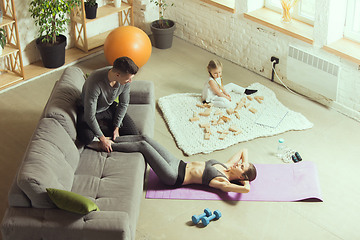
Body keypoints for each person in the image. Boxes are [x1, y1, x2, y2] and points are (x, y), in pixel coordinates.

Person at [102, 134, 257, 193]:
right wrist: (245, 167)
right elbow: (244, 150)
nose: (239, 164)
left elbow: (246, 191)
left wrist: (246, 182)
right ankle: (112, 138)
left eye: (241, 167)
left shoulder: (222, 181)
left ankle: (107, 145)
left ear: (242, 177)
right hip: (177, 162)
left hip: (174, 175)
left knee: (143, 147)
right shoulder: (227, 165)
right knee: (146, 138)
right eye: (241, 164)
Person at [77, 57, 140, 153]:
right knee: (86, 137)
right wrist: (103, 139)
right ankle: (100, 142)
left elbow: (123, 104)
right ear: (118, 75)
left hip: (107, 107)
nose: (130, 81)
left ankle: (107, 129)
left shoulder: (124, 79)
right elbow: (89, 115)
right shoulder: (95, 81)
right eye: (128, 79)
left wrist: (116, 127)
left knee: (134, 134)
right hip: (88, 110)